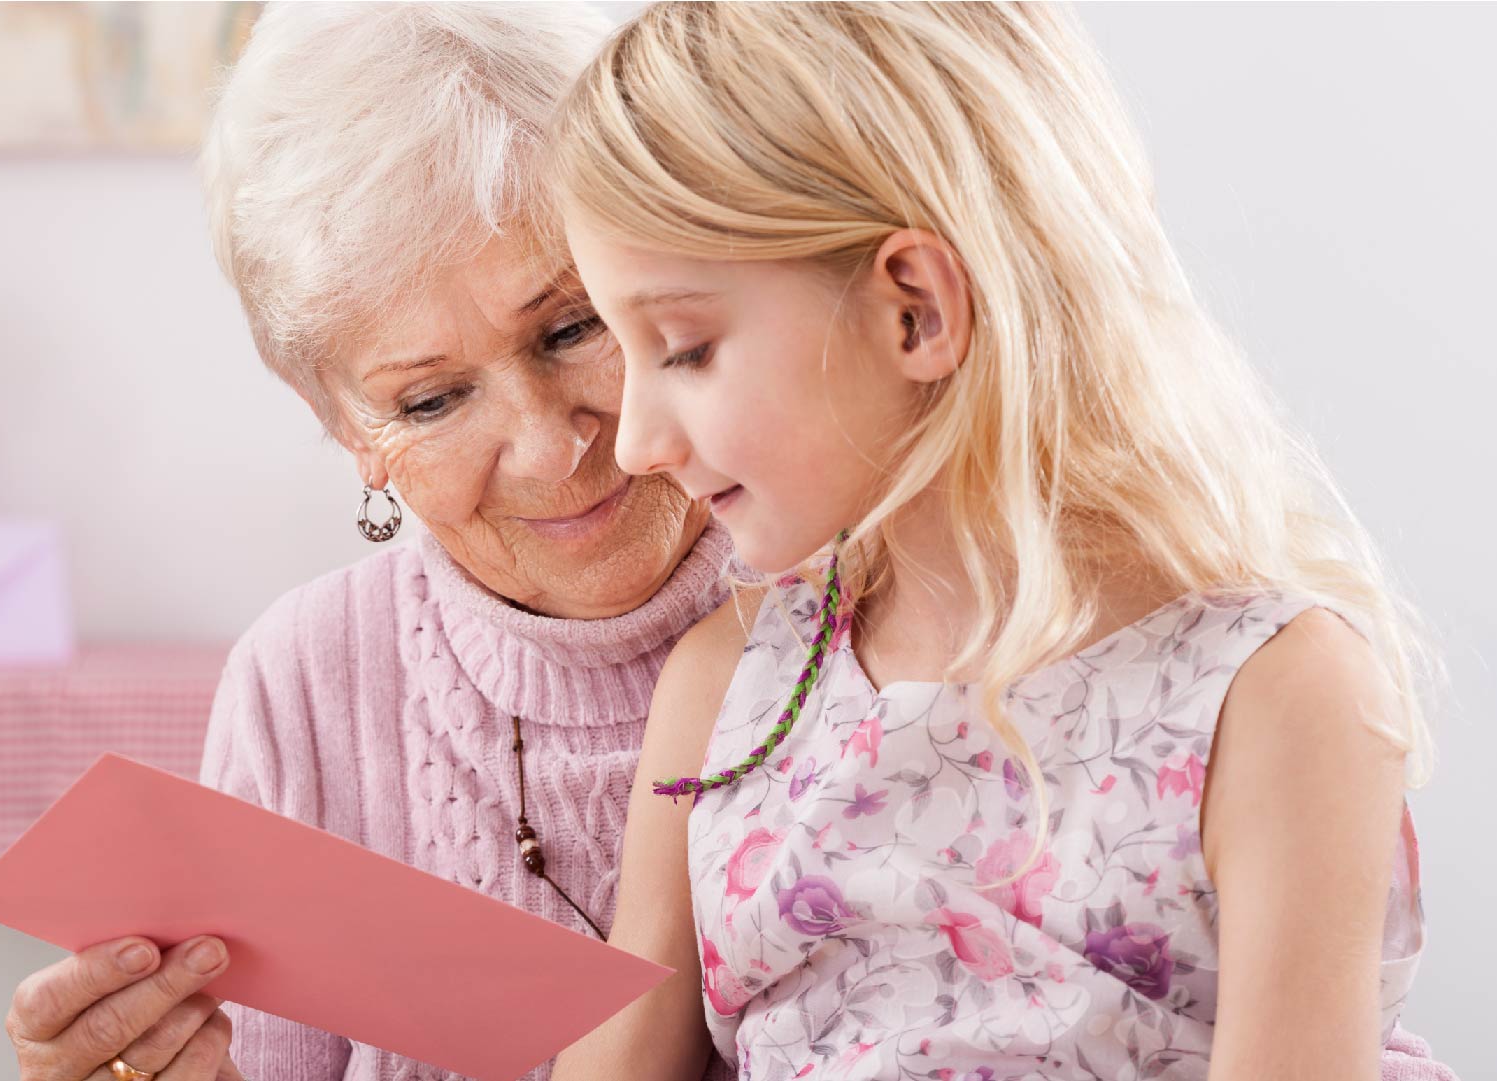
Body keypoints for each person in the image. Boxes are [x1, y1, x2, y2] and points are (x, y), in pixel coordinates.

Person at [546, 4, 1455, 1080]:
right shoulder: (724, 694)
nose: (639, 441)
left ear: (916, 312)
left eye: (685, 349)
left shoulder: (1272, 696)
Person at [1, 5, 737, 1080]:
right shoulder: (308, 679)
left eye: (571, 328)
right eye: (433, 398)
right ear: (348, 428)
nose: (547, 450)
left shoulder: (889, 603)